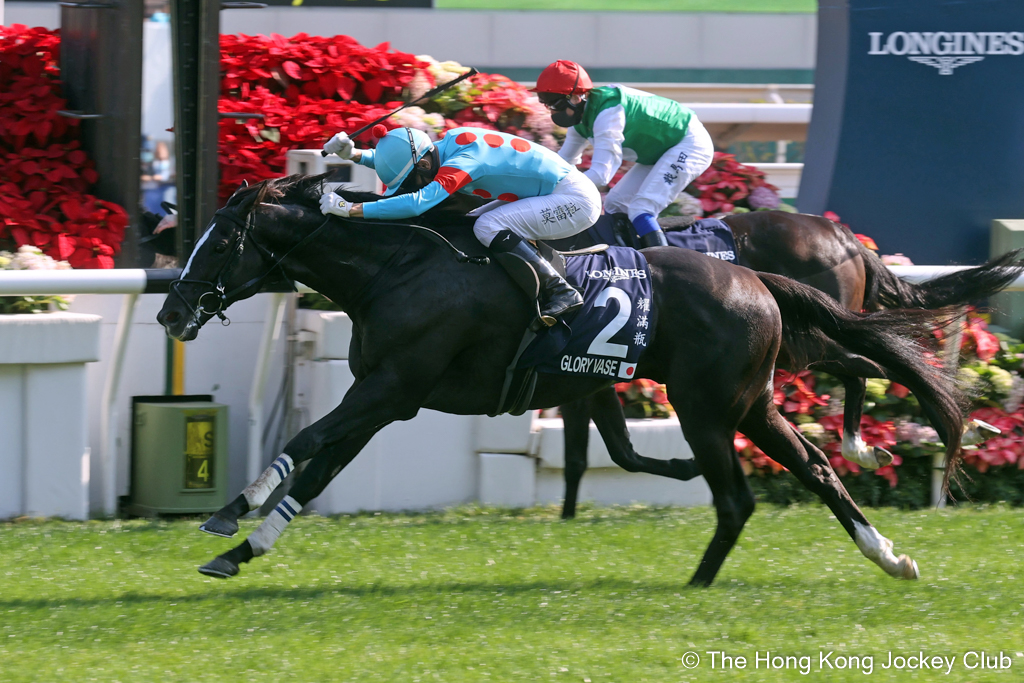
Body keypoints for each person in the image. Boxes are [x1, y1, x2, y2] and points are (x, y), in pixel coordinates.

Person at [320, 125, 601, 323]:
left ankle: (560, 290)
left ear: (425, 166)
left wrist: (351, 209)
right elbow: (406, 168)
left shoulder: (465, 161)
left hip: (574, 200)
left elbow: (418, 202)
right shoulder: (438, 150)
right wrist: (354, 154)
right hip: (551, 192)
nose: (407, 188)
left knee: (487, 227)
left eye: (409, 183)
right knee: (472, 226)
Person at [532, 60, 714, 248]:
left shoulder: (608, 114)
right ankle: (626, 258)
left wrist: (558, 190)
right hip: (662, 150)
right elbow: (562, 164)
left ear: (577, 97)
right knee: (615, 204)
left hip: (690, 144)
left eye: (556, 104)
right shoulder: (581, 118)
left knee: (641, 208)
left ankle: (665, 265)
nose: (553, 111)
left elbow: (601, 176)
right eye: (548, 105)